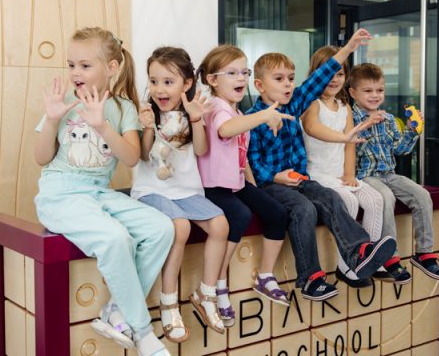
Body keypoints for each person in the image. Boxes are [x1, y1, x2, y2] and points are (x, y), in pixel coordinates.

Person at [33, 27, 174, 356]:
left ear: (111, 67)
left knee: (161, 228)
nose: (75, 73)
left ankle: (117, 310)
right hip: (60, 195)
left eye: (84, 65)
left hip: (99, 193)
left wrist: (101, 125)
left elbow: (131, 157)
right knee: (115, 238)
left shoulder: (123, 108)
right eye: (71, 65)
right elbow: (41, 158)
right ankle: (142, 331)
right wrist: (53, 120)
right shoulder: (63, 103)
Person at [246, 29, 397, 301]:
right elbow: (251, 162)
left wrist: (349, 48)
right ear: (259, 85)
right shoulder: (251, 118)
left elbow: (320, 77)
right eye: (279, 79)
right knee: (303, 209)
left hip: (300, 179)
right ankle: (311, 278)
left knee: (329, 197)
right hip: (272, 184)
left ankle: (359, 251)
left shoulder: (293, 106)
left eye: (291, 79)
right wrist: (277, 176)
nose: (288, 84)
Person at [131, 47, 230, 340]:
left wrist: (196, 119)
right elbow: (143, 155)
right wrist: (147, 127)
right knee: (180, 227)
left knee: (221, 224)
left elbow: (200, 150)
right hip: (151, 190)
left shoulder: (193, 112)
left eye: (168, 81)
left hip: (186, 192)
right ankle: (168, 300)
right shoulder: (148, 113)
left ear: (187, 84)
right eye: (154, 81)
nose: (159, 89)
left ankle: (206, 293)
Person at [196, 44, 294, 327]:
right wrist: (264, 115)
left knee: (276, 212)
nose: (241, 78)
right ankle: (217, 284)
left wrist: (253, 189)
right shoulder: (216, 107)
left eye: (244, 72)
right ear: (213, 80)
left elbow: (242, 157)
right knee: (239, 216)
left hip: (235, 183)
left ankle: (265, 276)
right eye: (232, 73)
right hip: (214, 186)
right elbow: (225, 131)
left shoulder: (236, 110)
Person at [300, 46, 388, 288]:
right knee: (348, 202)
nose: (334, 79)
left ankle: (369, 260)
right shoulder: (312, 103)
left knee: (375, 200)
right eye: (328, 73)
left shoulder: (345, 106)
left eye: (339, 74)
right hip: (317, 173)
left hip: (340, 174)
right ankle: (346, 265)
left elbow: (350, 146)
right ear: (316, 74)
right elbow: (312, 128)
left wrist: (349, 173)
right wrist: (345, 137)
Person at [349, 63, 439, 282]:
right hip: (365, 176)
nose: (375, 96)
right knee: (385, 197)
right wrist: (364, 125)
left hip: (389, 173)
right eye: (368, 91)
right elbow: (348, 148)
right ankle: (390, 258)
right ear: (353, 93)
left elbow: (400, 150)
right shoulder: (350, 119)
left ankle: (424, 252)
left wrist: (412, 130)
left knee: (422, 195)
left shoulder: (389, 119)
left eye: (379, 90)